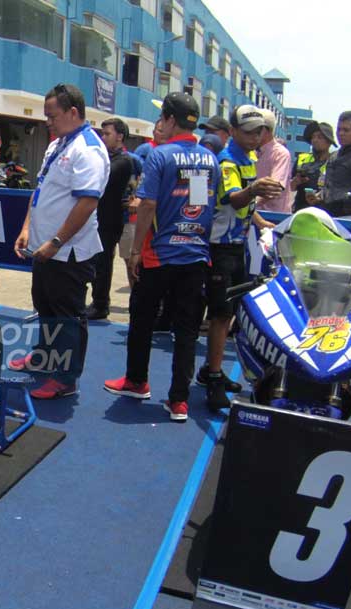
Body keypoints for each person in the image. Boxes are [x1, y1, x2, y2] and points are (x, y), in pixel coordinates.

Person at [102, 93, 217, 421]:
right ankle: (178, 400)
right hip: (194, 256)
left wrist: (136, 251)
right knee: (186, 331)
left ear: (169, 120)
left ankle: (137, 381)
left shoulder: (160, 155)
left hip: (158, 255)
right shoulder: (207, 158)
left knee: (141, 322)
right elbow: (197, 206)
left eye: (161, 117)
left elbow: (148, 204)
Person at [11, 83, 108, 399]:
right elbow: (40, 192)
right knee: (45, 307)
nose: (47, 123)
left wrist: (55, 240)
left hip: (69, 253)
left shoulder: (89, 149)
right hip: (46, 249)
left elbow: (87, 203)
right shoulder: (58, 145)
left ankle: (66, 379)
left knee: (67, 316)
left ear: (73, 112)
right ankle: (43, 358)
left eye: (52, 116)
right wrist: (27, 228)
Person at [200, 104, 283, 413]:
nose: (254, 137)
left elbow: (245, 203)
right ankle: (212, 377)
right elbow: (233, 199)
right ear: (232, 131)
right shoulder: (226, 160)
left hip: (238, 244)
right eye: (248, 131)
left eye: (259, 131)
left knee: (230, 312)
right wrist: (255, 190)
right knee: (220, 315)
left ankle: (213, 369)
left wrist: (260, 221)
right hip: (219, 247)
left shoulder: (248, 158)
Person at [86, 117, 134, 320]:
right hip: (95, 218)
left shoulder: (123, 161)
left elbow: (101, 178)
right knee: (93, 262)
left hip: (109, 220)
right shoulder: (104, 157)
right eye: (101, 133)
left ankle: (101, 304)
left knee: (103, 264)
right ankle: (96, 301)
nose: (102, 137)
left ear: (120, 137)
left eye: (107, 134)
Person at [254, 109, 293, 213]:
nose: (252, 132)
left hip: (274, 216)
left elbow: (274, 187)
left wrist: (251, 203)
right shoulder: (253, 152)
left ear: (267, 130)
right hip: (254, 214)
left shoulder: (281, 154)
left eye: (256, 129)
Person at [291, 121, 335, 212]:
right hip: (300, 210)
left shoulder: (335, 162)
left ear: (329, 141)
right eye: (313, 137)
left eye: (319, 137)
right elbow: (290, 187)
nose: (315, 140)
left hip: (325, 212)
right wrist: (296, 182)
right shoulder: (302, 159)